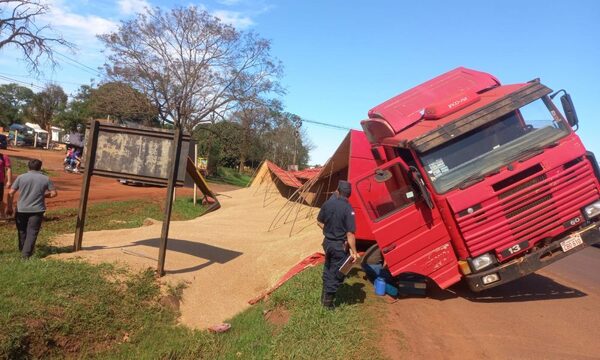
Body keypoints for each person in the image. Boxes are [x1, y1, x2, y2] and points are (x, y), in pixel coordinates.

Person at [317, 180, 359, 309]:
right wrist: (355, 251)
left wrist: (329, 231)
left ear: (338, 191)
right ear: (349, 194)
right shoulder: (348, 209)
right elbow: (350, 234)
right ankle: (327, 306)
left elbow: (319, 221)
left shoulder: (328, 204)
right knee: (336, 274)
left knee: (328, 268)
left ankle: (323, 298)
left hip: (327, 243)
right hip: (338, 246)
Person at [6, 159, 57, 259]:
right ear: (40, 167)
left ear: (28, 167)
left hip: (21, 209)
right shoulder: (45, 178)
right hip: (37, 210)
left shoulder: (21, 177)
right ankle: (26, 254)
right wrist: (44, 195)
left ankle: (23, 250)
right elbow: (54, 193)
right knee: (32, 232)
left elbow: (10, 193)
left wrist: (9, 207)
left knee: (22, 230)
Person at [0, 152, 12, 219]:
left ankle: (2, 215)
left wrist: (9, 181)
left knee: (0, 200)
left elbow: (8, 169)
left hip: (0, 181)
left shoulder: (4, 157)